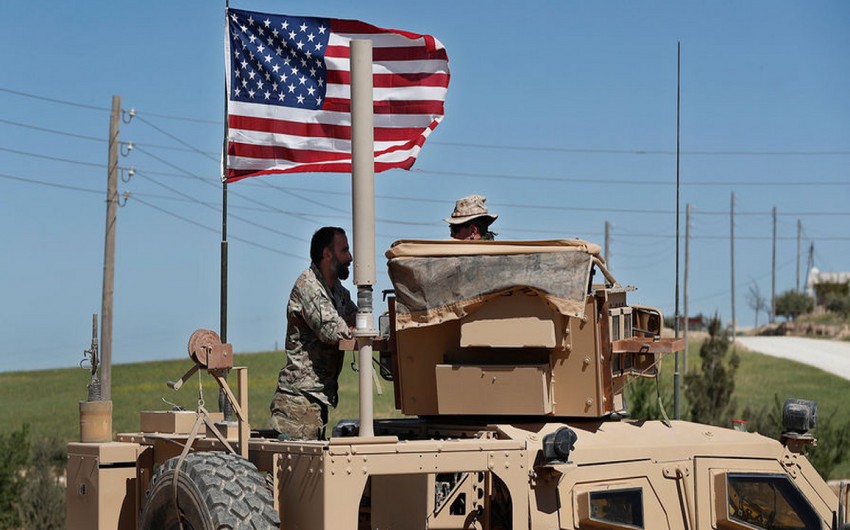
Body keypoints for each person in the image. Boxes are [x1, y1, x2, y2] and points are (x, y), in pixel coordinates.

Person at [270, 226, 358, 440]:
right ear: (327, 254)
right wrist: (349, 327)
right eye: (344, 250)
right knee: (298, 473)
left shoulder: (337, 291)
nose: (350, 257)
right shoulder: (308, 286)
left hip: (314, 400)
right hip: (298, 402)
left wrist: (354, 325)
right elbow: (332, 331)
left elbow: (358, 320)